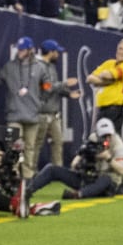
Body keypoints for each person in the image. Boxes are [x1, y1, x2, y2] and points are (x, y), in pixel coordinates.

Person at [23, 117, 123, 201]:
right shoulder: (92, 139)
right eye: (104, 136)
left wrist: (108, 158)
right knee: (52, 169)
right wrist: (77, 160)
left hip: (107, 183)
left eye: (109, 135)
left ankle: (79, 194)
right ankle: (28, 190)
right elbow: (80, 155)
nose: (107, 139)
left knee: (106, 179)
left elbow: (122, 170)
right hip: (88, 177)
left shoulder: (118, 145)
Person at [0, 36, 49, 169]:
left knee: (30, 148)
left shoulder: (40, 67)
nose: (19, 52)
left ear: (30, 50)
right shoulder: (9, 66)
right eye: (19, 49)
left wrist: (41, 101)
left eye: (23, 50)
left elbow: (47, 86)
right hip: (14, 114)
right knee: (14, 146)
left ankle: (27, 178)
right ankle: (13, 174)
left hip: (32, 114)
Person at [37, 39, 80, 168]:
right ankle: (30, 172)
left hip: (53, 112)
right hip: (41, 112)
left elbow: (54, 88)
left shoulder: (51, 66)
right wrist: (65, 83)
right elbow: (46, 87)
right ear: (51, 52)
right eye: (57, 52)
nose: (58, 55)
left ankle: (58, 170)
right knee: (36, 144)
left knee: (58, 142)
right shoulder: (38, 66)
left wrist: (68, 93)